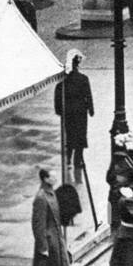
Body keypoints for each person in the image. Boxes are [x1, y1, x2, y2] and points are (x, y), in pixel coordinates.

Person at [30, 168, 73, 266]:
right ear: (45, 179)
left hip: (56, 238)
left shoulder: (51, 193)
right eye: (52, 177)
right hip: (49, 241)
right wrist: (43, 247)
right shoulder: (41, 198)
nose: (55, 179)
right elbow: (38, 224)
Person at [55, 52, 94, 182]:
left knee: (69, 136)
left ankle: (68, 161)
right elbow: (88, 95)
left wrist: (60, 111)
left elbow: (58, 98)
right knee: (80, 137)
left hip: (68, 114)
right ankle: (78, 161)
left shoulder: (63, 83)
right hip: (81, 113)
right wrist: (90, 109)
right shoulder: (83, 79)